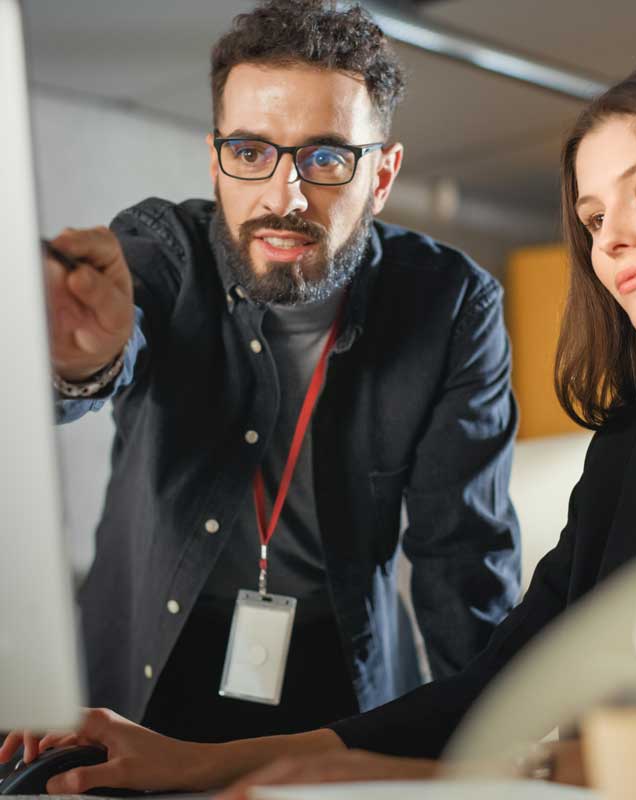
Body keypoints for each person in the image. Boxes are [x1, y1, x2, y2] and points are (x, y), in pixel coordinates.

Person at [10, 49, 636, 795]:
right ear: (215, 161)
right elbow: (500, 682)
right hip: (154, 681)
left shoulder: (448, 303)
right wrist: (196, 762)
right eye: (592, 218)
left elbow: (467, 573)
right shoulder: (632, 448)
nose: (613, 239)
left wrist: (452, 778)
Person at [22, 0, 521, 747]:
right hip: (150, 665)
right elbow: (104, 355)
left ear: (382, 176)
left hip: (341, 670)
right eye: (251, 152)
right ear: (215, 158)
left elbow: (464, 556)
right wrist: (81, 361)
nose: (283, 197)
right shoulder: (162, 250)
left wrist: (494, 746)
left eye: (325, 159)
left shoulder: (450, 306)